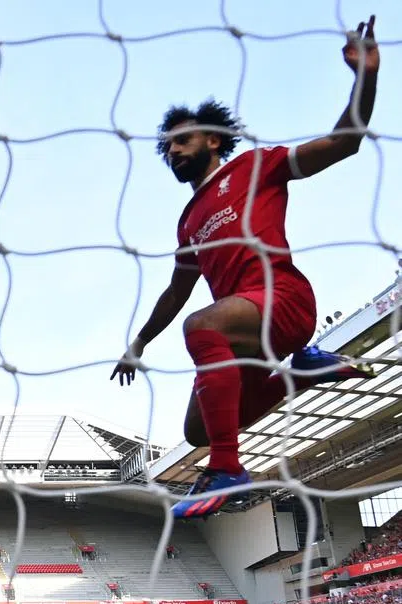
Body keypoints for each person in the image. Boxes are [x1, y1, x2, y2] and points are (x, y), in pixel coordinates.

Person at [112, 16, 380, 519]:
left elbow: (346, 142)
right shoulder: (189, 221)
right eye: (166, 147)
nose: (172, 150)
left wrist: (366, 77)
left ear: (213, 140)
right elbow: (175, 292)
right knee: (198, 428)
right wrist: (140, 342)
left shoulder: (257, 166)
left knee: (202, 325)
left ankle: (228, 470)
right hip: (245, 330)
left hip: (283, 301)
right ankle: (295, 374)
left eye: (181, 140)